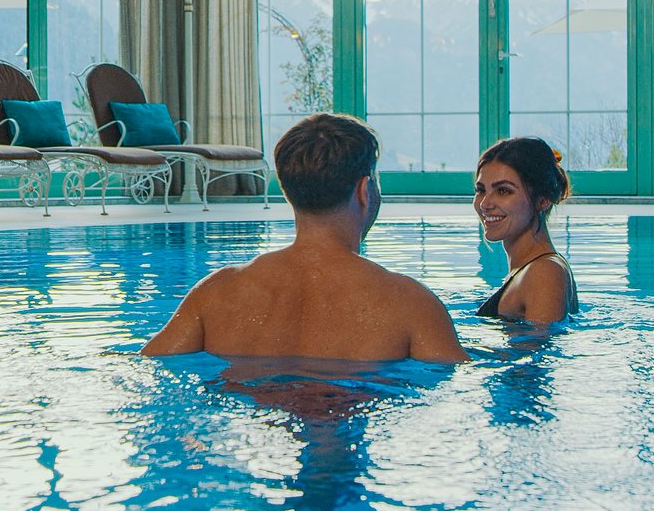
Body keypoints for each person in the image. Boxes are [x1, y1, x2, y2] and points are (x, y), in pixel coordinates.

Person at [142, 113, 468, 364]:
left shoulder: (216, 293)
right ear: (364, 190)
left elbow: (149, 364)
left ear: (288, 191)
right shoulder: (409, 303)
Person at [473, 137, 580, 325]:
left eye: (503, 191)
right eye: (481, 190)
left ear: (542, 200)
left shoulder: (544, 273)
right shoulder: (532, 269)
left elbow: (538, 350)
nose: (484, 204)